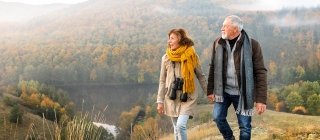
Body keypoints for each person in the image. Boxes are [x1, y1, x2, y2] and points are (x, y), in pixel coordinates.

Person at [207, 15, 267, 140]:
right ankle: (230, 138)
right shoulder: (217, 43)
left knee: (245, 127)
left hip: (243, 93)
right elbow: (213, 67)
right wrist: (210, 89)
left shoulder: (253, 45)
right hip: (223, 91)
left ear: (235, 29)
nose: (222, 28)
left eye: (225, 26)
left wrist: (261, 99)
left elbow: (260, 72)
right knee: (218, 118)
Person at [157, 28, 207, 140]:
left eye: (172, 38)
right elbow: (162, 81)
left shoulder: (192, 56)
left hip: (187, 96)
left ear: (180, 39)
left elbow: (201, 76)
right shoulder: (165, 58)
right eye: (169, 38)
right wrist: (160, 101)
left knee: (180, 126)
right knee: (176, 128)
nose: (169, 41)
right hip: (171, 97)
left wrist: (208, 92)